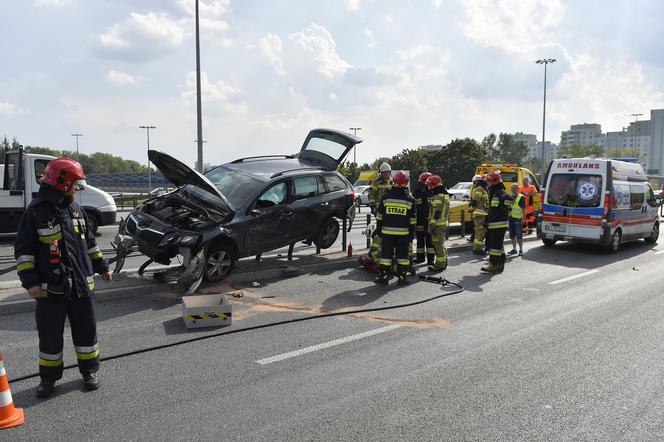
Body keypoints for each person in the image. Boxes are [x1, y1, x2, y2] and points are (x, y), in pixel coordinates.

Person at [14, 158, 112, 399]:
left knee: (87, 333)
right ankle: (48, 379)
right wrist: (31, 282)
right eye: (75, 184)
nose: (77, 190)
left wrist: (102, 266)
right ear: (61, 183)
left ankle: (89, 371)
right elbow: (24, 251)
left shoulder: (77, 211)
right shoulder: (35, 213)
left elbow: (90, 243)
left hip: (81, 288)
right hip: (50, 292)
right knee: (50, 338)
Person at [374, 171, 416, 285]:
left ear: (394, 182)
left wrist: (379, 228)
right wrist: (411, 234)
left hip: (387, 233)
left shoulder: (386, 197)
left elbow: (380, 215)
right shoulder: (410, 199)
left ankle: (384, 278)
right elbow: (412, 220)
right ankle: (402, 279)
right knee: (403, 257)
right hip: (403, 235)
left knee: (386, 257)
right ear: (406, 184)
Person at [361, 162, 393, 269]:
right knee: (381, 231)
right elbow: (371, 195)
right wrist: (373, 206)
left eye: (387, 172)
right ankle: (375, 254)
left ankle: (376, 254)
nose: (386, 174)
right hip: (380, 211)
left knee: (383, 232)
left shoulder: (392, 182)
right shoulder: (376, 183)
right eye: (384, 173)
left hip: (390, 211)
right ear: (381, 173)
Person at [481, 172, 513, 274]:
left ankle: (493, 265)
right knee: (498, 245)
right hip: (494, 223)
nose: (487, 184)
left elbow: (510, 200)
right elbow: (492, 209)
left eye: (489, 181)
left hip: (499, 224)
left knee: (494, 246)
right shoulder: (494, 192)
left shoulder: (500, 192)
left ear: (494, 182)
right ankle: (500, 264)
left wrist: (505, 206)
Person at [425, 175, 450, 272]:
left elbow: (437, 212)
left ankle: (440, 264)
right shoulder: (444, 195)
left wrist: (431, 225)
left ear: (434, 185)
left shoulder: (438, 196)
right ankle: (444, 262)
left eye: (430, 185)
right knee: (441, 243)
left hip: (438, 225)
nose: (430, 188)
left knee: (437, 244)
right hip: (442, 224)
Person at [412, 172, 434, 264]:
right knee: (429, 240)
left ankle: (420, 258)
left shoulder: (416, 191)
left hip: (420, 220)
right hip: (428, 220)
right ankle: (430, 260)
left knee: (420, 240)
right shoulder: (431, 191)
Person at [469, 174, 489, 255]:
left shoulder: (478, 189)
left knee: (478, 231)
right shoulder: (480, 189)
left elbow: (475, 201)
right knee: (481, 232)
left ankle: (476, 248)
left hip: (479, 213)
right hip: (481, 213)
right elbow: (476, 201)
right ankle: (478, 249)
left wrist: (471, 208)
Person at [508, 183, 526, 256]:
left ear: (518, 189)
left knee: (519, 235)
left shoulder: (521, 197)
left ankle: (521, 250)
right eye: (512, 188)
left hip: (518, 219)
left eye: (514, 188)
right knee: (512, 235)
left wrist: (523, 219)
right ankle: (514, 249)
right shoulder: (509, 196)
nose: (513, 190)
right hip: (511, 218)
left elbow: (524, 209)